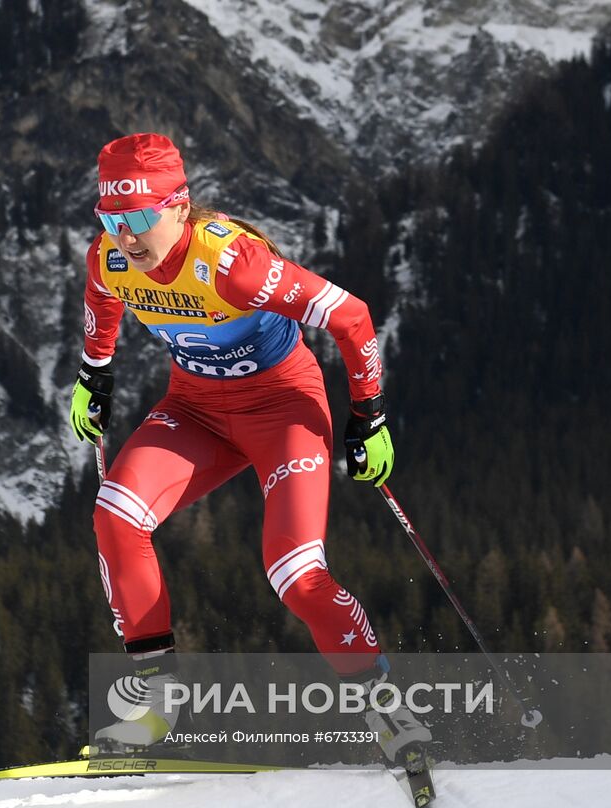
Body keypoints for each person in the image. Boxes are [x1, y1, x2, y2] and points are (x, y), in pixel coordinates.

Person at [69, 132, 430, 765]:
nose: (125, 236)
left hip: (283, 408)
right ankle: (157, 702)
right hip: (195, 408)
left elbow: (353, 317)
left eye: (139, 218)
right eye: (111, 218)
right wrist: (93, 374)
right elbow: (103, 301)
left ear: (179, 207)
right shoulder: (112, 257)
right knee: (115, 516)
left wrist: (368, 416)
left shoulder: (233, 265)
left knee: (296, 576)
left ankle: (386, 709)